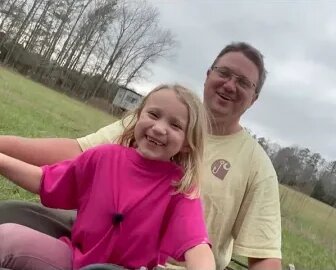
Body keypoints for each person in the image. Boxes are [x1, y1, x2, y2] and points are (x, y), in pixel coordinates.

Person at [0, 42, 282, 270]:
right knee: (8, 217)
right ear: (208, 74)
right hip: (90, 235)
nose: (230, 85)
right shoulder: (136, 132)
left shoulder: (249, 169)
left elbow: (217, 248)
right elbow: (71, 158)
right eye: (224, 72)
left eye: (243, 82)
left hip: (155, 263)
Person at [0, 84, 215, 270]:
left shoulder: (180, 188)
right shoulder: (103, 156)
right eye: (154, 114)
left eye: (175, 125)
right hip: (74, 259)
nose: (159, 128)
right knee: (6, 236)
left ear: (188, 143)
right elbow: (44, 180)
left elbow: (197, 245)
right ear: (137, 117)